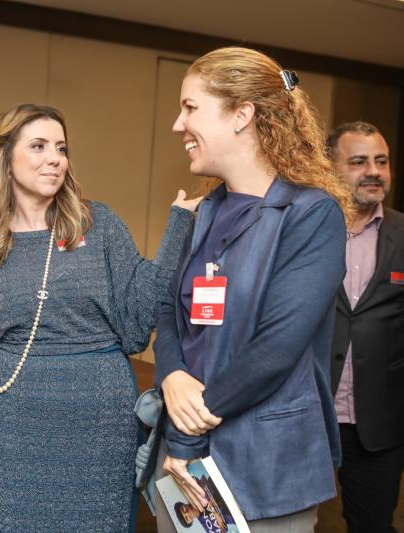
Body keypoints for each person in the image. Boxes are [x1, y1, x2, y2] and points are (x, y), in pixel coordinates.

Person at [0, 103, 198, 531]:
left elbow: (137, 321)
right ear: (5, 158)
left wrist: (178, 229)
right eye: (38, 146)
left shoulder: (98, 225)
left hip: (101, 419)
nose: (55, 158)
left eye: (61, 148)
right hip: (16, 424)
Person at [152, 47, 354, 532]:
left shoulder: (311, 215)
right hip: (181, 460)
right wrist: (172, 374)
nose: (178, 125)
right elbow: (168, 311)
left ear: (242, 115)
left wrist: (186, 431)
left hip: (264, 465)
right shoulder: (205, 211)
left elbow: (276, 348)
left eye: (190, 107)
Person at [327, 121, 404, 533]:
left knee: (372, 525)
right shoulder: (307, 230)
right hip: (311, 413)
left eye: (381, 161)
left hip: (380, 421)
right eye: (358, 162)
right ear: (330, 168)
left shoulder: (403, 233)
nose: (374, 171)